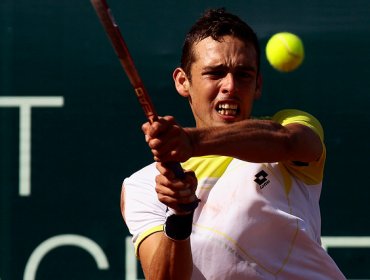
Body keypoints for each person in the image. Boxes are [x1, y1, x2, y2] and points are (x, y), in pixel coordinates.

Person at [121, 8, 345, 280]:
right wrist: (180, 215)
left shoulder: (287, 127)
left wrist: (192, 141)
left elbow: (291, 142)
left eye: (243, 75)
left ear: (258, 84)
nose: (230, 85)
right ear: (183, 81)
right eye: (215, 73)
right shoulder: (144, 185)